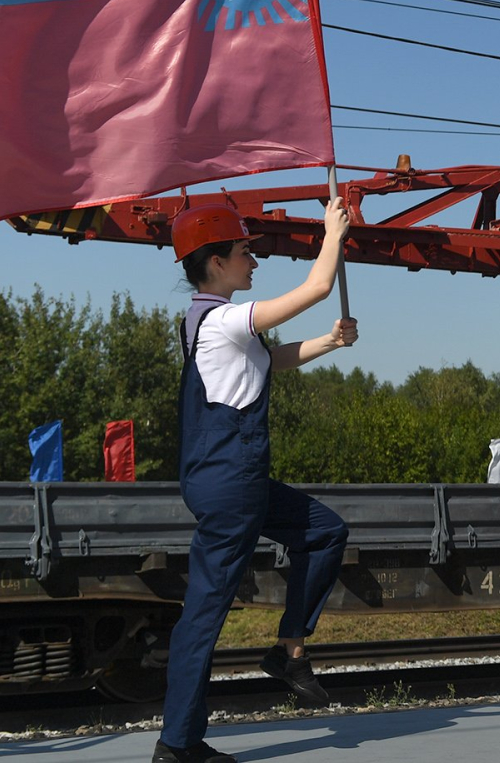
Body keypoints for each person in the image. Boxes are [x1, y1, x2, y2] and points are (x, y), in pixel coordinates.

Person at [155, 202, 358, 763]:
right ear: (216, 262)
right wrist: (333, 234)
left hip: (229, 479)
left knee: (323, 531)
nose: (254, 262)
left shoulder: (205, 323)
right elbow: (317, 286)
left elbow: (273, 360)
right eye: (246, 252)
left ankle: (289, 650)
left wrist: (332, 343)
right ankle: (178, 745)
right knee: (203, 615)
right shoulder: (222, 319)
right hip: (232, 481)